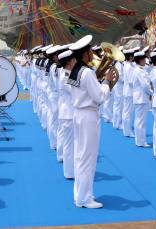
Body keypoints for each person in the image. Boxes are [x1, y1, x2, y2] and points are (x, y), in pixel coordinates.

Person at [67, 35, 114, 208]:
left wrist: (99, 81)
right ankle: (84, 198)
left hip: (79, 114)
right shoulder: (86, 72)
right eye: (89, 51)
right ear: (85, 53)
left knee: (81, 156)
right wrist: (107, 82)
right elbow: (99, 97)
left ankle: (80, 193)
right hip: (88, 116)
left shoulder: (76, 70)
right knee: (88, 158)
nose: (92, 54)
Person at [57, 49, 76, 179]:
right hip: (68, 114)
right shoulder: (65, 76)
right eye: (74, 59)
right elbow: (75, 91)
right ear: (69, 62)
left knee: (71, 144)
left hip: (69, 113)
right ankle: (69, 172)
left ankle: (71, 170)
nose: (76, 61)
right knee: (69, 144)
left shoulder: (67, 73)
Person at [131, 50, 153, 148]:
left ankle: (139, 140)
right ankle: (141, 141)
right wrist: (153, 93)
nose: (145, 60)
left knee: (139, 120)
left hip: (139, 97)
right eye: (144, 59)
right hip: (141, 98)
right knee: (141, 121)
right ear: (140, 60)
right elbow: (145, 86)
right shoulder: (139, 71)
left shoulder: (138, 69)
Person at [121, 47, 138, 138]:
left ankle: (126, 130)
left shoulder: (128, 65)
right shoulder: (129, 67)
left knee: (127, 111)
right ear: (130, 57)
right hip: (129, 92)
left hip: (127, 91)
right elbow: (131, 81)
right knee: (128, 112)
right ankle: (127, 131)